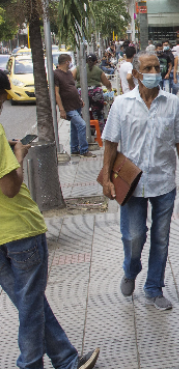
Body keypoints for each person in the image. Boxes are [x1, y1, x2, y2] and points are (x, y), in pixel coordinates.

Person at [0, 70, 101, 369]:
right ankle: (30, 364)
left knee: (29, 301)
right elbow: (10, 187)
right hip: (19, 230)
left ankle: (66, 359)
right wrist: (18, 157)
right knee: (30, 306)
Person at [101, 52, 179, 311]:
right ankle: (131, 269)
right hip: (131, 184)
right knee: (133, 237)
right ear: (137, 73)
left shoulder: (173, 103)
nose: (154, 71)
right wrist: (107, 178)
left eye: (157, 66)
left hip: (163, 181)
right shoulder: (121, 104)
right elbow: (110, 142)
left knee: (161, 237)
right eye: (148, 67)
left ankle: (153, 287)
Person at [54, 54, 95, 158]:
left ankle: (74, 148)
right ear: (66, 62)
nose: (70, 64)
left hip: (76, 104)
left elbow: (72, 87)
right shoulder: (56, 74)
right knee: (81, 124)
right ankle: (84, 150)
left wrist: (80, 99)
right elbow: (56, 93)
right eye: (70, 61)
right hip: (68, 106)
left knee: (74, 127)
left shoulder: (68, 73)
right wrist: (62, 109)